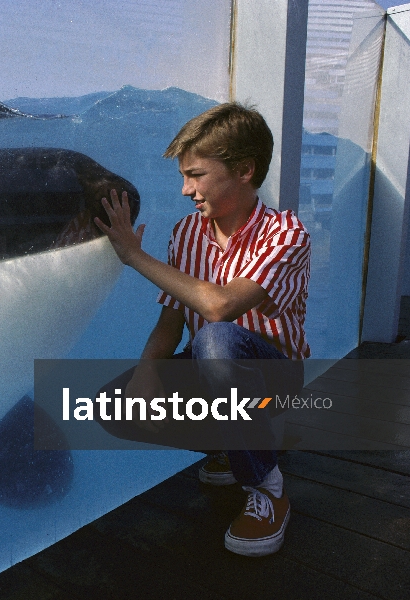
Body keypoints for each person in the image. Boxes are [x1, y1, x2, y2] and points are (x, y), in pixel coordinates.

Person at [94, 102, 310, 557]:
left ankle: (268, 489)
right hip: (217, 373)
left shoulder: (287, 234)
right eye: (182, 176)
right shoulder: (186, 233)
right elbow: (172, 320)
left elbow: (220, 306)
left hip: (274, 383)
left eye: (195, 174)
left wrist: (135, 256)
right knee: (109, 405)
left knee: (216, 340)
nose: (185, 189)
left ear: (245, 170)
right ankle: (236, 447)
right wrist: (147, 371)